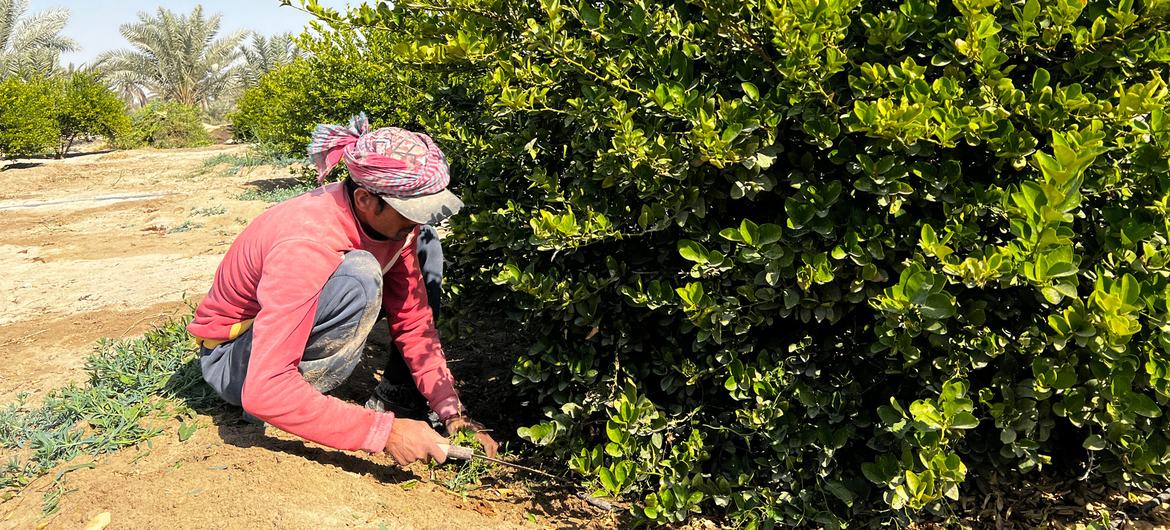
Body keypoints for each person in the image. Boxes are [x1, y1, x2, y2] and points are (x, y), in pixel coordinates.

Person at [187, 113, 498, 465]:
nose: (416, 220)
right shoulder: (306, 244)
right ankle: (297, 400)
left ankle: (397, 396)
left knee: (427, 242)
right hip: (235, 363)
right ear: (366, 199)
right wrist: (384, 432)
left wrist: (450, 410)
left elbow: (413, 322)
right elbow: (264, 388)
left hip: (269, 344)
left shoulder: (398, 228)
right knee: (359, 276)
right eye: (409, 210)